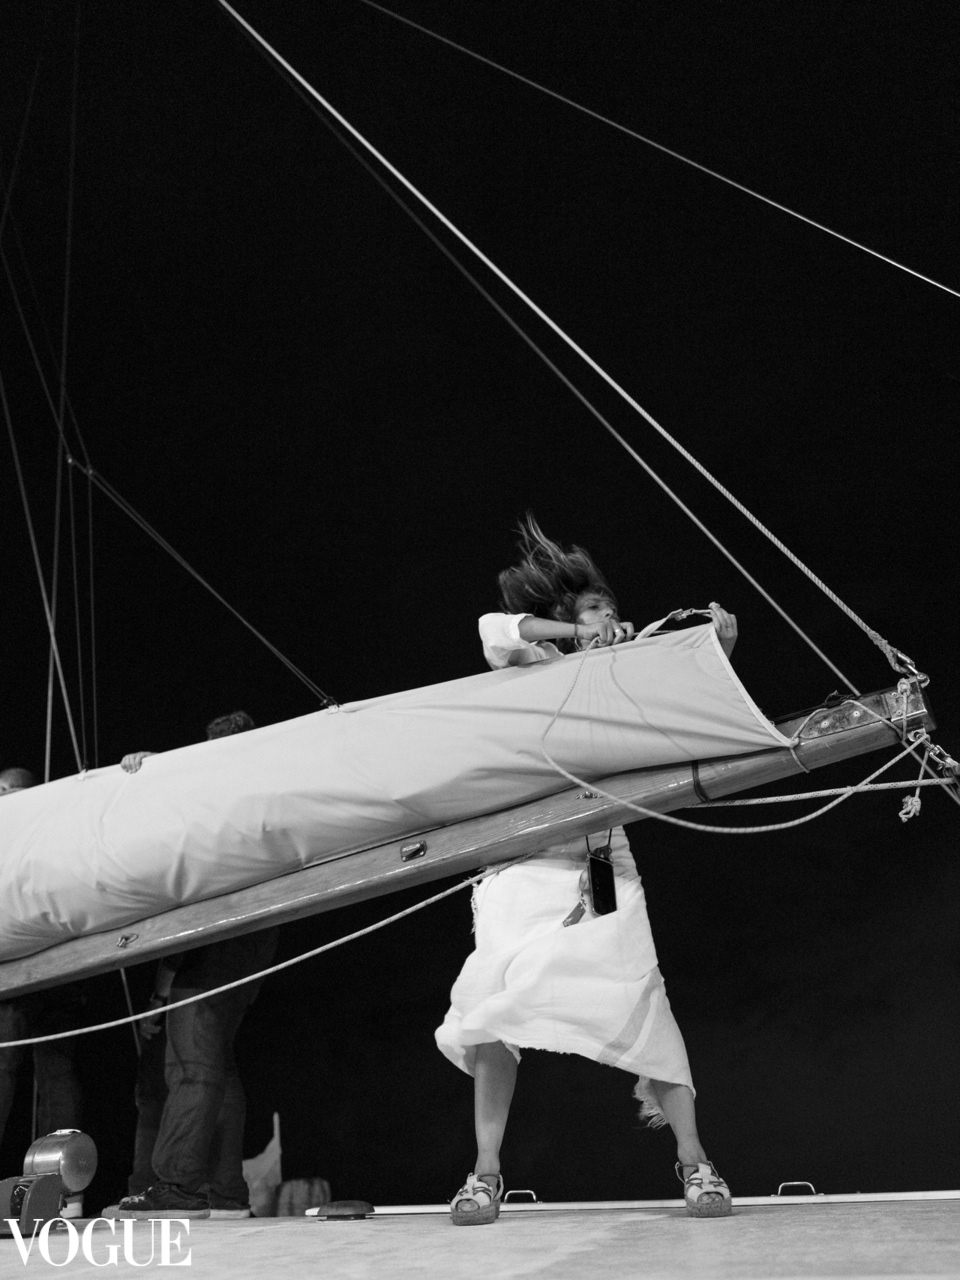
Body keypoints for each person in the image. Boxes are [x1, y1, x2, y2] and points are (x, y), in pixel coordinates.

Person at [435, 517, 737, 1223]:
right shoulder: (530, 668)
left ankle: (696, 1164)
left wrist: (718, 652)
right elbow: (493, 629)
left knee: (642, 995)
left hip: (600, 856)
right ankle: (485, 1174)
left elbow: (691, 715)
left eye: (611, 611)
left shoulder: (622, 679)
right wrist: (578, 637)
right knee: (492, 1004)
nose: (611, 619)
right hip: (518, 858)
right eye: (597, 610)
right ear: (569, 619)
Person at [112, 713, 279, 1221]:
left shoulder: (230, 799)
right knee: (215, 1065)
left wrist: (157, 772)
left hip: (220, 943)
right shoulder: (264, 795)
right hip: (250, 943)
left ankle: (178, 1185)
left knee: (192, 1066)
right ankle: (225, 1193)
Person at [0, 767, 87, 1217]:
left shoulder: (41, 832)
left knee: (51, 1077)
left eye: (10, 792)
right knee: (17, 1073)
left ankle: (63, 1189)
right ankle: (60, 1191)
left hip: (45, 970)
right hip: (26, 971)